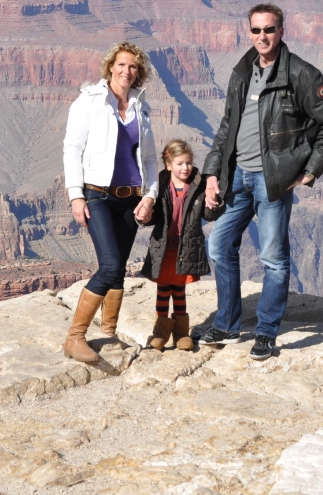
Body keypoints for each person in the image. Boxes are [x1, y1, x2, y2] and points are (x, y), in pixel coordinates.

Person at [200, 3, 323, 360]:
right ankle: (228, 324)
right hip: (236, 177)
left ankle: (266, 332)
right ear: (248, 32)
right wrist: (211, 173)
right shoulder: (240, 71)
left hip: (272, 182)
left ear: (282, 31)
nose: (262, 36)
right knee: (219, 247)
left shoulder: (301, 74)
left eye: (269, 29)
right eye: (256, 30)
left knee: (274, 260)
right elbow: (226, 128)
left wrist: (310, 171)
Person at [62, 42, 158, 363]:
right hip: (98, 195)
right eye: (121, 64)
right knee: (110, 266)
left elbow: (149, 158)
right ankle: (75, 337)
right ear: (110, 67)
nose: (127, 71)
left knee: (119, 272)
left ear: (138, 71)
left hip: (131, 199)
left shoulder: (140, 107)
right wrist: (77, 196)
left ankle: (109, 333)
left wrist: (150, 196)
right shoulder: (89, 101)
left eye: (133, 66)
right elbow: (72, 149)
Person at [140, 139, 224, 351]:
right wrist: (144, 216)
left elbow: (208, 214)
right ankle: (159, 333)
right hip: (164, 246)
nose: (185, 168)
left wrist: (214, 201)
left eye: (188, 163)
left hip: (187, 247)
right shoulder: (159, 185)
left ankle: (181, 333)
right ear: (168, 165)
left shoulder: (198, 185)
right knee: (163, 289)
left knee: (178, 289)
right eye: (179, 164)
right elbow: (154, 215)